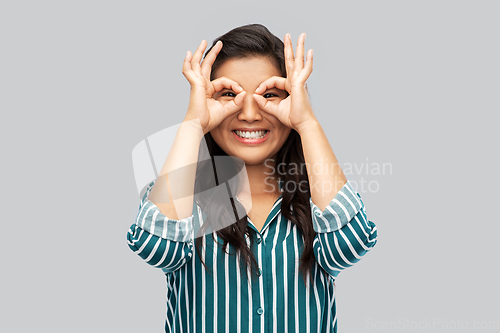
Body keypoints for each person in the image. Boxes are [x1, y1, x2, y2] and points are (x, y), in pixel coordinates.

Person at [127, 24, 378, 333]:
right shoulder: (183, 200)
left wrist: (307, 122)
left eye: (268, 95)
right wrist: (193, 124)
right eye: (229, 94)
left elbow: (349, 245)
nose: (248, 114)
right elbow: (155, 247)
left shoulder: (317, 201)